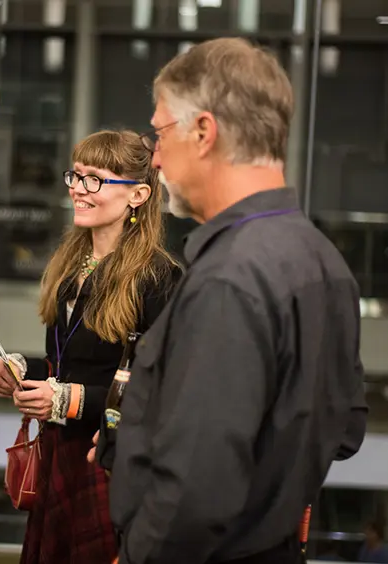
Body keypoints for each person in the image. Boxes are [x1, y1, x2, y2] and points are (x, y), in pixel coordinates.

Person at [102, 37, 368, 564]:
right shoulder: (324, 261)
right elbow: (346, 427)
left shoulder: (229, 279)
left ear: (204, 131)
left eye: (159, 133)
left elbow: (194, 492)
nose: (154, 157)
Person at [0, 129, 181, 564]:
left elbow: (162, 391)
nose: (78, 188)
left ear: (138, 195)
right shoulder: (72, 265)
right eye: (75, 176)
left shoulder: (157, 278)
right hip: (62, 455)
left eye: (95, 179)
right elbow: (70, 363)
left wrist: (67, 401)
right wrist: (23, 368)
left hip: (107, 461)